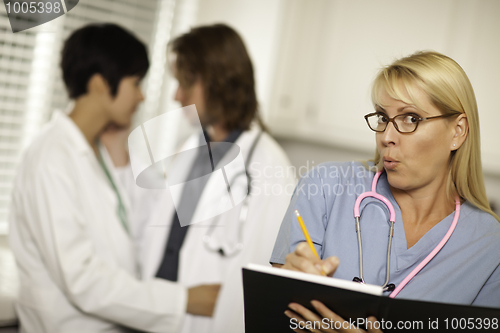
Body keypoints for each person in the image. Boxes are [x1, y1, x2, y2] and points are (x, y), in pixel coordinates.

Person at [270, 51, 500, 332]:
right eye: (382, 117)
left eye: (411, 118)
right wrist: (284, 285)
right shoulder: (325, 186)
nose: (386, 137)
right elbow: (275, 317)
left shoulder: (491, 247)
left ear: (458, 131)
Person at [8, 23, 216, 333]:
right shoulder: (51, 158)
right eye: (135, 83)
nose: (142, 96)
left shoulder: (93, 152)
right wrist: (183, 300)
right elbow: (83, 280)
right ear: (100, 84)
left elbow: (124, 233)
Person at [128, 24, 296, 333]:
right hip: (158, 316)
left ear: (219, 82)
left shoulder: (270, 168)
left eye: (186, 84)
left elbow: (260, 282)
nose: (177, 96)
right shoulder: (189, 148)